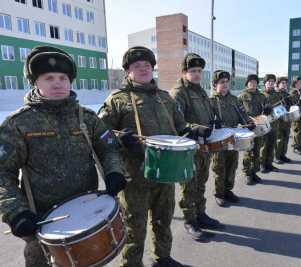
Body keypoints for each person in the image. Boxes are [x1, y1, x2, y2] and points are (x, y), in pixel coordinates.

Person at [0, 46, 126, 267]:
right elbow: (3, 173)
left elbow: (109, 148)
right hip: (42, 219)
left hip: (87, 214)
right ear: (35, 82)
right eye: (48, 78)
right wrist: (16, 212)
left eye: (63, 78)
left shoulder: (86, 117)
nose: (57, 83)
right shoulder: (17, 124)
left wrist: (114, 171)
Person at [98, 47, 211, 267]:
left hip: (166, 171)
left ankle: (162, 257)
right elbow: (101, 135)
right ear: (128, 71)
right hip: (135, 176)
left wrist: (194, 130)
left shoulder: (165, 98)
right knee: (135, 227)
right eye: (137, 66)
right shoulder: (117, 100)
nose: (143, 69)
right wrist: (121, 141)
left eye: (147, 66)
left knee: (164, 219)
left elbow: (180, 125)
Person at [170, 53, 223, 241]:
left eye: (199, 71)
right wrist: (195, 129)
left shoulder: (200, 90)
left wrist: (213, 120)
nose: (197, 74)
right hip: (188, 149)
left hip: (203, 146)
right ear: (184, 72)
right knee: (188, 186)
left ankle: (201, 214)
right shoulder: (179, 92)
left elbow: (207, 113)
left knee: (201, 182)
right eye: (193, 71)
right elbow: (176, 123)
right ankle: (190, 220)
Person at [209, 70, 254, 207]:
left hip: (233, 138)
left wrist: (249, 122)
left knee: (232, 165)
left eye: (227, 82)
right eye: (221, 82)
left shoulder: (234, 100)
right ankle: (219, 193)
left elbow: (242, 114)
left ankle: (228, 190)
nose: (225, 85)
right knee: (219, 167)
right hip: (218, 140)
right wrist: (212, 124)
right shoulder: (210, 101)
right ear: (215, 85)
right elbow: (206, 119)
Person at [238, 74, 272, 185]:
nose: (253, 83)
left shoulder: (261, 96)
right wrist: (244, 122)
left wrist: (268, 110)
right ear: (247, 83)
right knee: (248, 151)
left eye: (255, 82)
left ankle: (254, 172)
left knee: (257, 150)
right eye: (251, 81)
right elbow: (238, 111)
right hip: (247, 127)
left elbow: (267, 108)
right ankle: (248, 173)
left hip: (259, 126)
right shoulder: (242, 96)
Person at [260, 74, 280, 173]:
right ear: (265, 83)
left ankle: (269, 164)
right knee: (264, 146)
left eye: (272, 82)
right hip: (264, 124)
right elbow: (257, 111)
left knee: (272, 145)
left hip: (274, 124)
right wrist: (264, 111)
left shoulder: (276, 94)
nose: (271, 84)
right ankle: (262, 165)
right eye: (269, 82)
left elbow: (280, 107)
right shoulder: (261, 95)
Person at [274, 77, 293, 164]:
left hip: (287, 120)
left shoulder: (287, 94)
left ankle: (283, 155)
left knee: (286, 139)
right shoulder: (276, 94)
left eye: (285, 83)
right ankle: (276, 157)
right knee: (279, 140)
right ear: (278, 84)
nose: (284, 84)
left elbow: (291, 105)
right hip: (279, 121)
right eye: (282, 83)